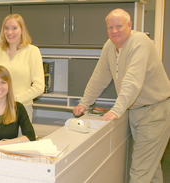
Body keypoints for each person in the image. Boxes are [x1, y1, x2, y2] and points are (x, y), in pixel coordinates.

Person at [73, 8, 170, 182]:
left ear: (129, 25)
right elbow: (99, 77)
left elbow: (133, 80)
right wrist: (84, 103)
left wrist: (117, 110)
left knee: (140, 171)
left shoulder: (140, 42)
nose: (114, 31)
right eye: (110, 27)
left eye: (119, 26)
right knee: (151, 168)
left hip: (155, 112)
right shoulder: (109, 46)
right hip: (135, 112)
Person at [0, 14, 45, 122]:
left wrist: (14, 100)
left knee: (21, 139)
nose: (10, 32)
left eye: (14, 28)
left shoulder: (32, 51)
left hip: (22, 109)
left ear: (22, 29)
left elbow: (39, 87)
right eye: (6, 28)